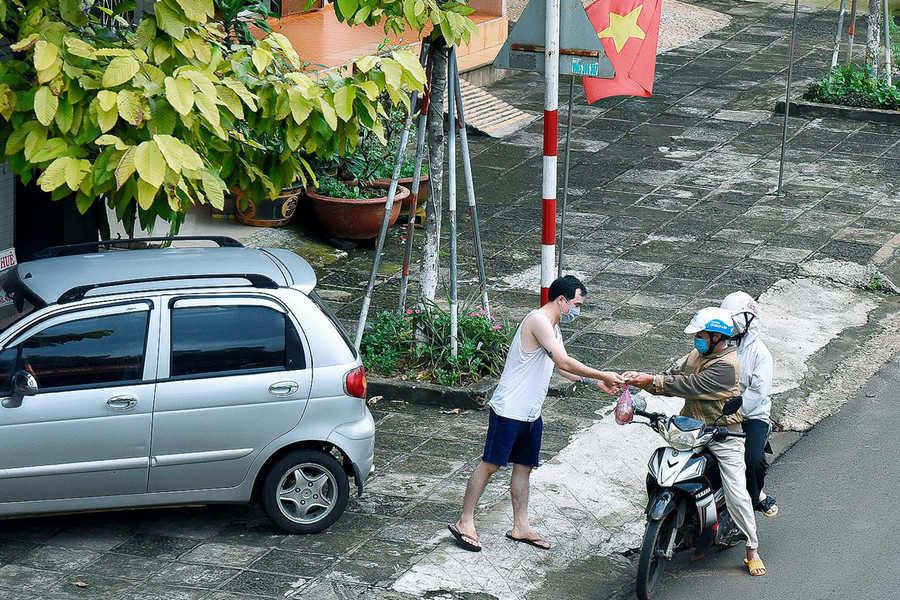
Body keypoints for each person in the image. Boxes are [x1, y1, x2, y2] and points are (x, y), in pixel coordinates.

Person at [448, 275, 625, 552]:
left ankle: (521, 525)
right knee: (491, 464)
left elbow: (562, 368)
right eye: (576, 304)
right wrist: (603, 373)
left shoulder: (554, 329)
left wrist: (595, 382)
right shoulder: (537, 321)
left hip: (531, 413)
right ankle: (465, 520)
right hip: (509, 410)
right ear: (561, 300)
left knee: (524, 468)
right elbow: (565, 361)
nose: (577, 310)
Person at [623, 307, 766, 577]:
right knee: (663, 470)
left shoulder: (727, 365)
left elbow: (690, 386)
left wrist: (650, 381)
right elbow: (675, 374)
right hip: (691, 429)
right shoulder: (697, 354)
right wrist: (641, 379)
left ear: (716, 337)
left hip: (723, 433)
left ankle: (752, 548)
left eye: (701, 334)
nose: (697, 339)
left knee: (737, 491)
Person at [721, 291, 777, 518]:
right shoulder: (718, 344)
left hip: (751, 415)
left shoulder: (760, 353)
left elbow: (757, 392)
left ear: (748, 320)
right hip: (717, 411)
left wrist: (734, 411)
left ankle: (757, 495)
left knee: (751, 459)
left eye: (736, 319)